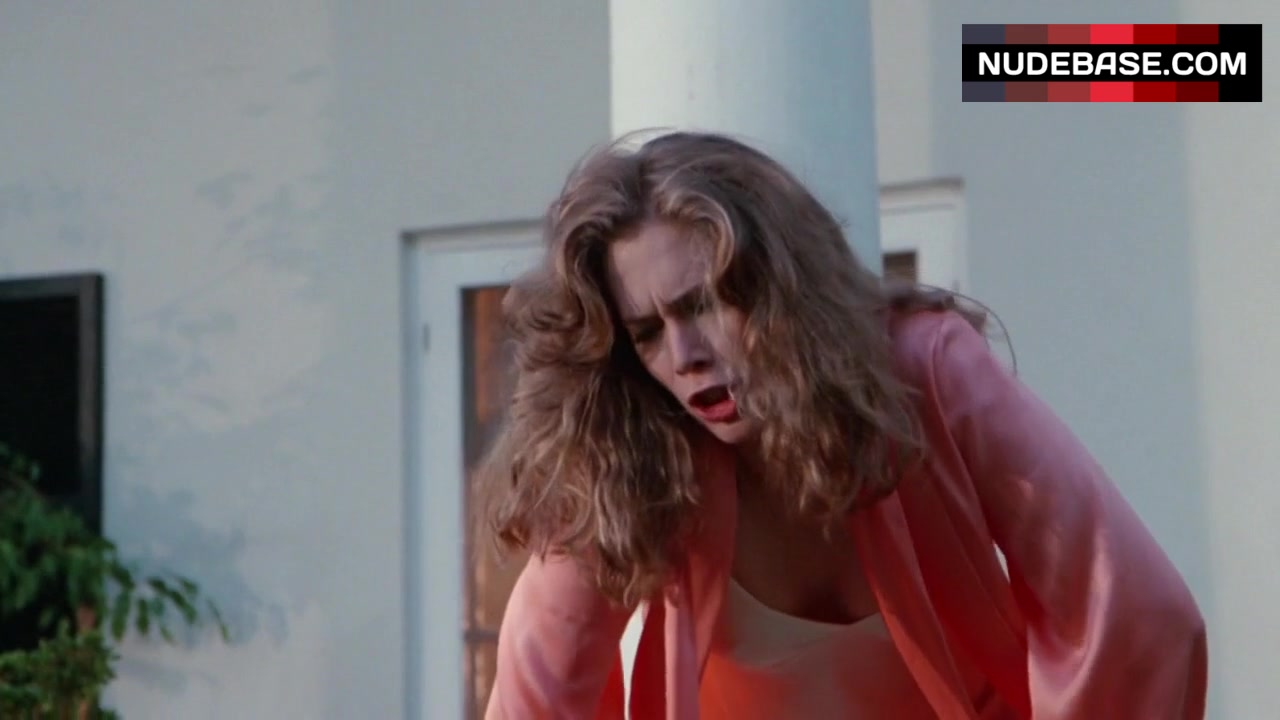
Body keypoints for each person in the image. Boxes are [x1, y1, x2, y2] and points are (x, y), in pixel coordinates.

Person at [476, 130, 1207, 719]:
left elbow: (1133, 609)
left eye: (704, 304)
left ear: (781, 286)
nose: (686, 355)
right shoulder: (626, 450)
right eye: (647, 333)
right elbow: (540, 696)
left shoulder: (926, 371)